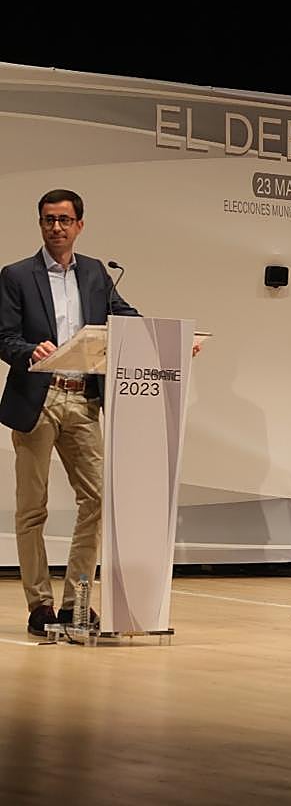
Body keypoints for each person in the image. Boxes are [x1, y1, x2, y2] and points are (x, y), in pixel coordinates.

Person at [0, 189, 139, 635]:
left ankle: (75, 601)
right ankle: (39, 604)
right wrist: (27, 351)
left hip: (82, 399)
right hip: (37, 398)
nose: (55, 227)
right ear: (39, 224)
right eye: (47, 220)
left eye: (64, 220)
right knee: (31, 508)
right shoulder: (16, 275)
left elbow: (124, 318)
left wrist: (170, 343)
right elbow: (4, 336)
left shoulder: (97, 273)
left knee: (97, 498)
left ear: (80, 224)